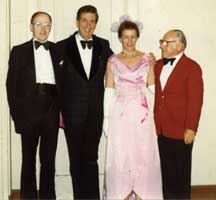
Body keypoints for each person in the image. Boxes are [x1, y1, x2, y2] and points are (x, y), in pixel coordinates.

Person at [56, 5, 113, 200]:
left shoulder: (104, 46)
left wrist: (145, 60)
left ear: (96, 24)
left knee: (92, 158)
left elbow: (121, 66)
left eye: (92, 21)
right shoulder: (61, 47)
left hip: (95, 113)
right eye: (84, 21)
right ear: (77, 22)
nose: (88, 25)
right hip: (72, 115)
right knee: (76, 159)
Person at [103, 20, 162, 200]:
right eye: (125, 37)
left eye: (133, 37)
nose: (129, 41)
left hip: (140, 113)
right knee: (121, 155)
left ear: (138, 37)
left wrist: (157, 65)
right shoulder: (112, 61)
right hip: (119, 113)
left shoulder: (147, 59)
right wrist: (106, 119)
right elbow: (109, 90)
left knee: (143, 154)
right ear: (120, 38)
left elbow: (152, 87)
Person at [6, 11, 61, 199]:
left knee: (49, 160)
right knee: (28, 159)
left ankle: (48, 197)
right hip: (28, 111)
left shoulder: (57, 50)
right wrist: (17, 117)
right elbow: (10, 86)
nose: (43, 29)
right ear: (31, 27)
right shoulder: (19, 51)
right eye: (39, 24)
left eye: (47, 25)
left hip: (51, 110)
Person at [154, 29, 204, 199]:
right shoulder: (158, 65)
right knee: (165, 173)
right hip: (161, 128)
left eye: (166, 43)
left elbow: (195, 101)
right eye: (162, 41)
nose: (162, 45)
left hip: (181, 130)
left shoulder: (192, 67)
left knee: (180, 175)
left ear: (180, 46)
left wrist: (191, 128)